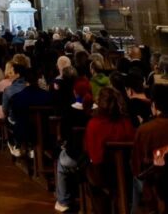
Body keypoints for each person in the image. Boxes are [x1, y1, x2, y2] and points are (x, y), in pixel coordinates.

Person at [55, 86, 135, 214]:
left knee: (88, 171)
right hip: (126, 172)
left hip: (103, 174)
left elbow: (94, 156)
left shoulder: (94, 124)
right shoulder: (126, 123)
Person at [131, 83, 168, 214]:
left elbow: (136, 167)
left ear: (154, 105)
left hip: (154, 187)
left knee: (136, 179)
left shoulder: (145, 130)